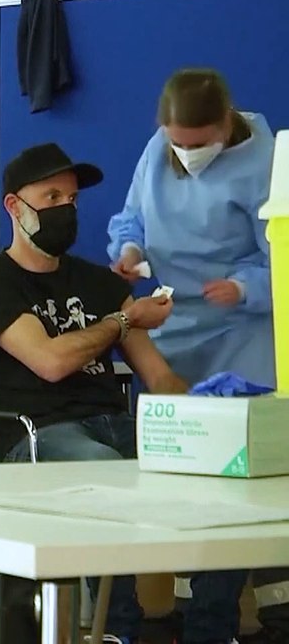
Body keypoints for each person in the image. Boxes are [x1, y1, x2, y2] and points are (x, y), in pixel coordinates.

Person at [0, 142, 246, 644]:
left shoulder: (98, 282)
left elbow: (158, 377)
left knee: (221, 483)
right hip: (36, 434)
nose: (65, 210)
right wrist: (121, 321)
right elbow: (49, 362)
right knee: (103, 477)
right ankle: (117, 634)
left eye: (71, 200)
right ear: (14, 206)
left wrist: (205, 426)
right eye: (51, 197)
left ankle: (211, 632)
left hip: (115, 425)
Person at [107, 68, 287, 644]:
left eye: (197, 141)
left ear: (226, 125)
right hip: (169, 328)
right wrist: (129, 249)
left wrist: (245, 288)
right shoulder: (159, 148)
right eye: (176, 141)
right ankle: (162, 607)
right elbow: (131, 215)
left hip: (242, 332)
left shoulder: (266, 158)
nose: (184, 153)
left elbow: (280, 256)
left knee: (234, 487)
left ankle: (215, 619)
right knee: (171, 476)